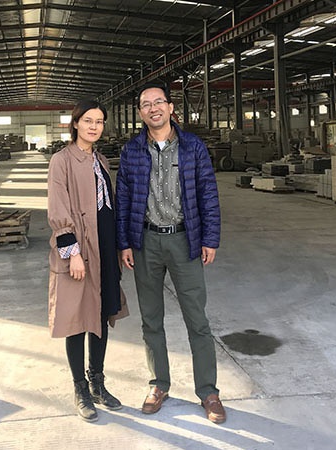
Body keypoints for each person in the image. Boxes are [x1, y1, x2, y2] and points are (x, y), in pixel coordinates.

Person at [115, 81, 225, 424]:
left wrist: (210, 238)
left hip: (184, 241)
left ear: (171, 107)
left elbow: (208, 193)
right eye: (146, 104)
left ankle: (208, 391)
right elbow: (123, 199)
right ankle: (158, 384)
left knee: (197, 319)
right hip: (146, 241)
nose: (154, 108)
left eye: (159, 102)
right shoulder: (132, 151)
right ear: (141, 113)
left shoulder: (193, 147)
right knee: (151, 320)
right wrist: (124, 242)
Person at [47, 99, 128, 422]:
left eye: (99, 121)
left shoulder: (101, 161)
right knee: (77, 319)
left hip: (104, 247)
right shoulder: (62, 161)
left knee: (101, 313)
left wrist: (120, 247)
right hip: (80, 250)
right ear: (76, 124)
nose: (94, 126)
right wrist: (73, 253)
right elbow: (58, 207)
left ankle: (98, 383)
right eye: (88, 120)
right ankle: (80, 388)